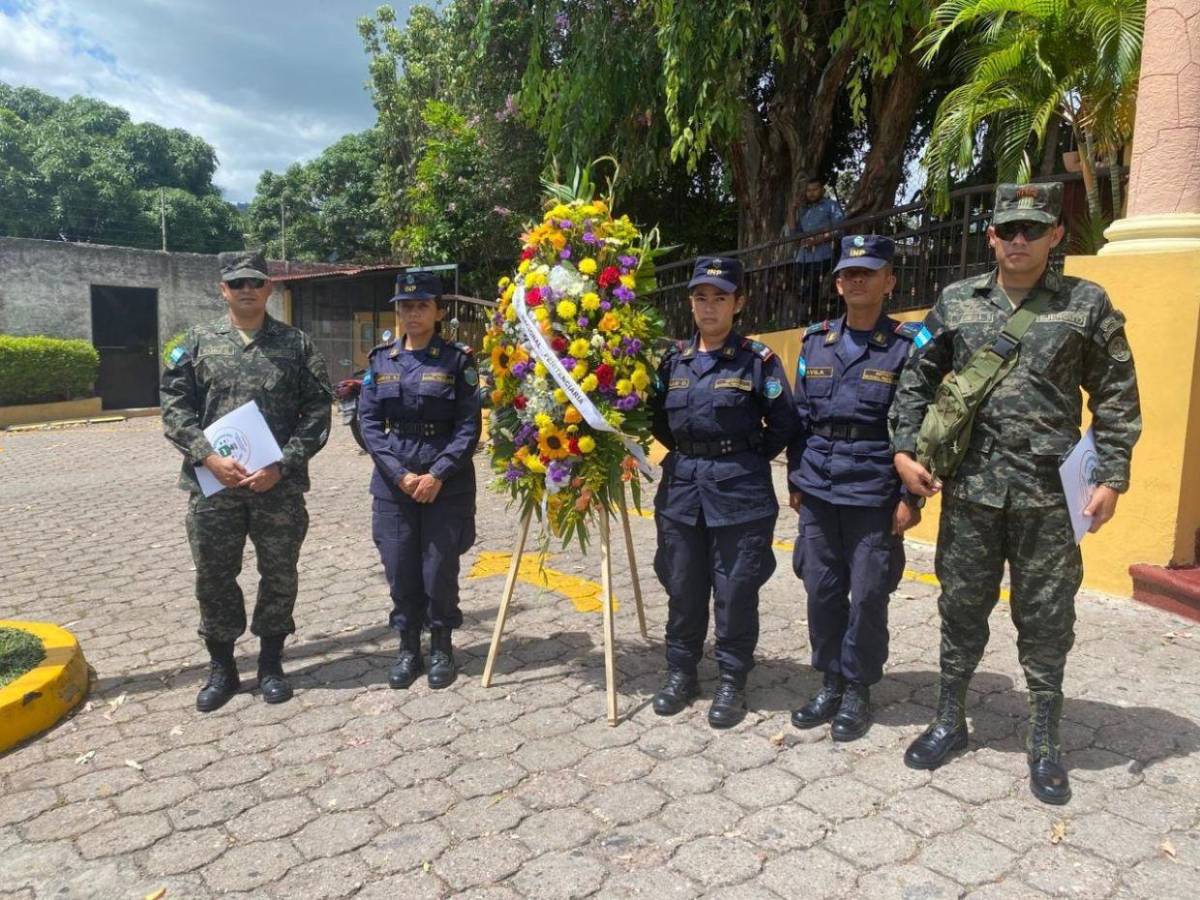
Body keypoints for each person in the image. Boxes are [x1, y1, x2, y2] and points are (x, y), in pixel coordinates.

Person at [890, 183, 1142, 804]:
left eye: (1034, 228)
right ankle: (950, 718)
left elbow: (1116, 395)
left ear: (1056, 234)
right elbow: (915, 380)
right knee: (961, 610)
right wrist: (904, 453)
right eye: (1009, 230)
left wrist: (1111, 476)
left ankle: (1045, 740)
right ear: (992, 237)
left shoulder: (1086, 304)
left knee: (1048, 620)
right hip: (972, 493)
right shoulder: (956, 303)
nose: (1020, 240)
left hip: (1050, 500)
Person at [161, 250, 332, 712]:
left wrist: (283, 464)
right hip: (213, 486)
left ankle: (272, 663)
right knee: (215, 577)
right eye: (237, 284)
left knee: (278, 574)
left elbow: (317, 412)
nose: (247, 290)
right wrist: (208, 458)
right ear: (223, 290)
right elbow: (174, 410)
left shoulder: (295, 344)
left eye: (255, 282)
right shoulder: (195, 343)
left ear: (269, 288)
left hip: (277, 486)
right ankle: (223, 668)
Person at [650, 256, 798, 728]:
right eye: (700, 298)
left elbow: (784, 424)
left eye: (719, 298)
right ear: (690, 303)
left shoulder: (758, 361)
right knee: (682, 585)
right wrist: (694, 452)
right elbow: (658, 422)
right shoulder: (673, 360)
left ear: (739, 303)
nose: (709, 307)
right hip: (681, 489)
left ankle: (733, 679)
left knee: (735, 591)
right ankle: (681, 672)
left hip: (739, 492)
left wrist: (743, 455)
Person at [786, 235, 923, 742]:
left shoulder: (910, 347)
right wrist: (795, 479)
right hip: (819, 487)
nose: (857, 280)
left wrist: (910, 499)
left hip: (874, 490)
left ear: (889, 280)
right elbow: (799, 417)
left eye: (869, 272)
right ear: (838, 282)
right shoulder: (814, 340)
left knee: (867, 595)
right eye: (848, 273)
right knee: (821, 590)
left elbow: (923, 424)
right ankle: (829, 680)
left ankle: (859, 686)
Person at [357, 270, 481, 691]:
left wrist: (437, 474)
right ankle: (409, 646)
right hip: (395, 483)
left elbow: (469, 427)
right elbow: (369, 424)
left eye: (421, 305)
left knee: (439, 567)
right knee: (400, 566)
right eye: (405, 306)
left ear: (438, 311)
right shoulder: (380, 360)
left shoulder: (458, 360)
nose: (412, 313)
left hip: (446, 482)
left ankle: (442, 645)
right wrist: (402, 474)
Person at [789, 178, 845, 308]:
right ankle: (803, 320)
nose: (811, 193)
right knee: (801, 291)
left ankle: (814, 320)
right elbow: (793, 233)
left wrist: (817, 240)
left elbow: (839, 228)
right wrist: (792, 210)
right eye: (809, 190)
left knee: (815, 290)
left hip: (823, 255)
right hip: (802, 258)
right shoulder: (804, 210)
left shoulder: (831, 205)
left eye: (815, 189)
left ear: (822, 190)